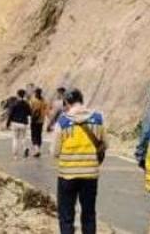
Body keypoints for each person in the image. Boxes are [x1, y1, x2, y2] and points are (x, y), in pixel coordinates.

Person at [52, 89, 106, 234]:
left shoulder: (62, 122)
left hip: (67, 175)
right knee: (89, 214)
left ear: (67, 103)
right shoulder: (98, 118)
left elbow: (55, 152)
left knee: (66, 215)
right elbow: (104, 144)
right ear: (82, 100)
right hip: (90, 174)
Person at [6, 89, 32, 159]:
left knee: (15, 139)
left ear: (17, 95)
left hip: (15, 123)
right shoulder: (26, 104)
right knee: (23, 138)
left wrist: (7, 123)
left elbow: (11, 114)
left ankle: (15, 155)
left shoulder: (15, 103)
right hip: (23, 123)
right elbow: (30, 113)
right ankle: (25, 148)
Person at [30, 88, 48, 157]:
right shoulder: (44, 100)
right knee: (39, 135)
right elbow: (46, 109)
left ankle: (36, 150)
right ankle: (38, 149)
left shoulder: (33, 100)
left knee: (34, 135)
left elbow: (30, 109)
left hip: (34, 120)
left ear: (35, 93)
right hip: (41, 121)